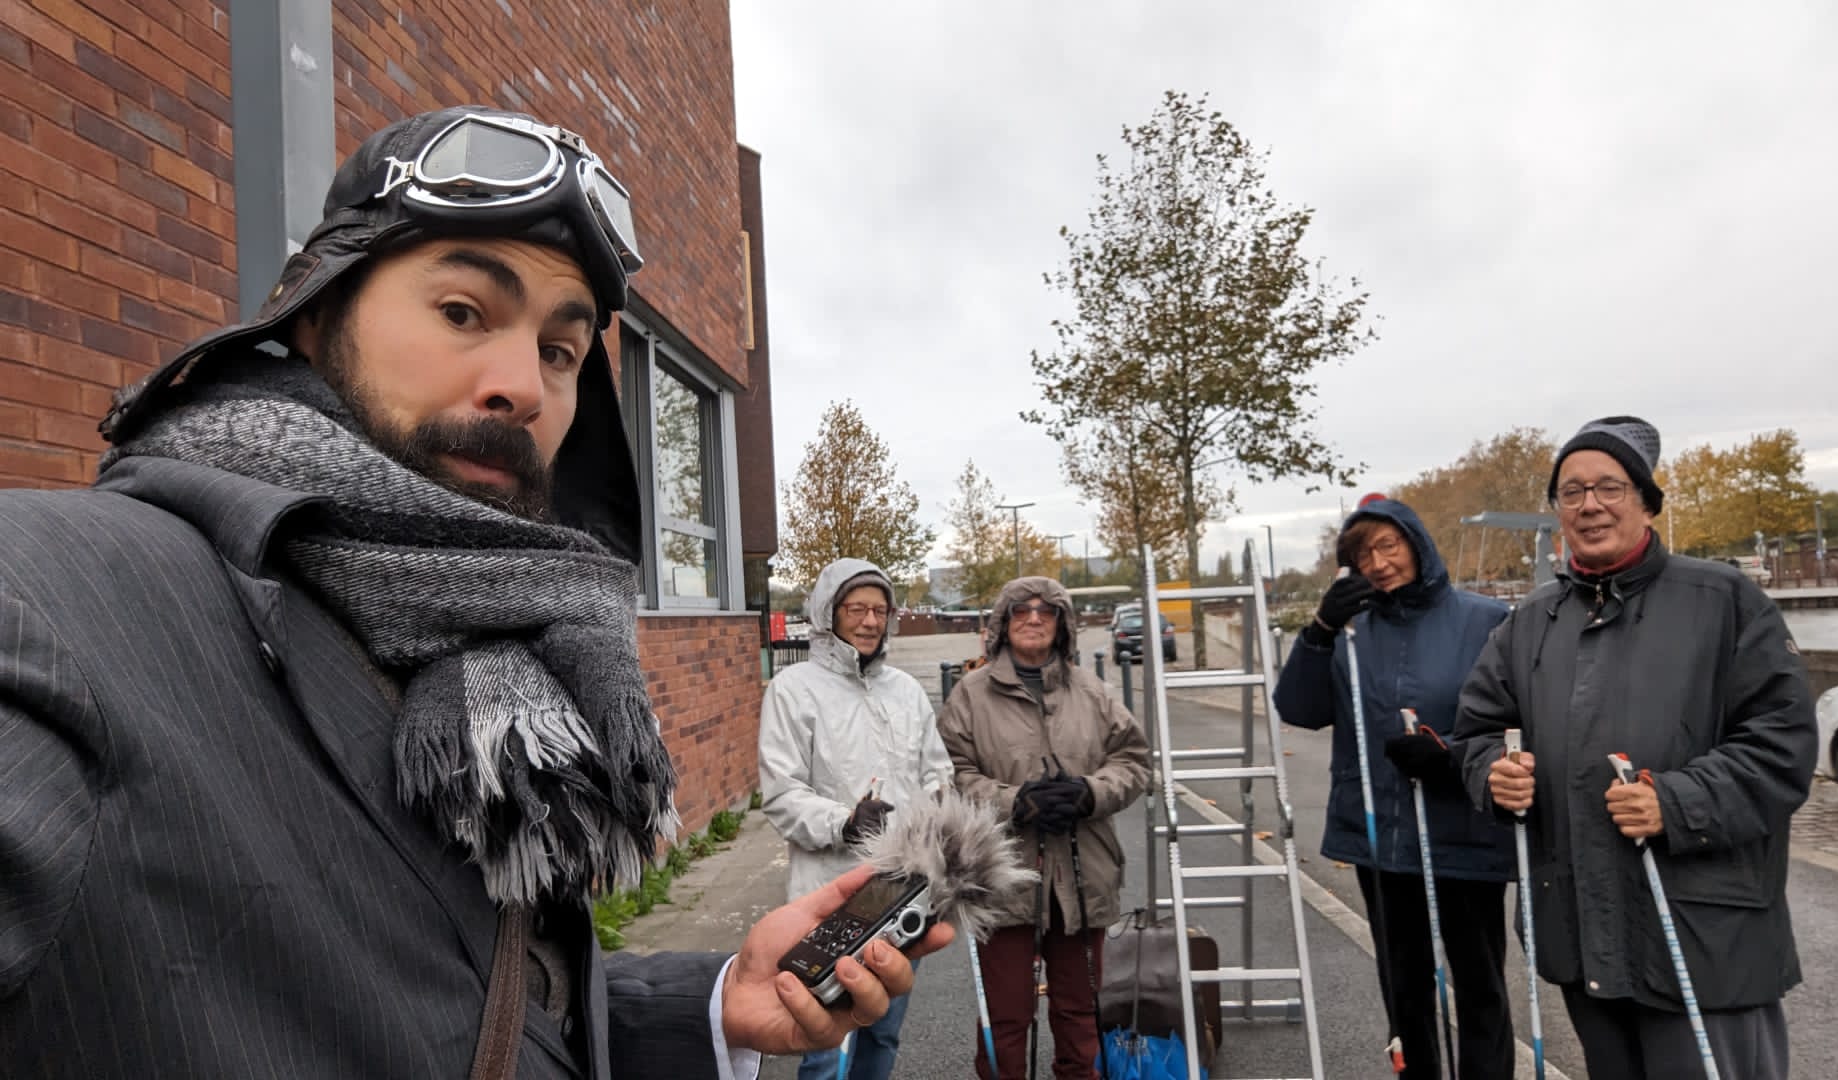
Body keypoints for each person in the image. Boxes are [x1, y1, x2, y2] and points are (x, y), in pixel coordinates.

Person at [0, 105, 947, 1078]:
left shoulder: (506, 652)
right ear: (317, 316)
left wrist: (712, 1006)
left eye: (559, 350)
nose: (524, 387)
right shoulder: (43, 604)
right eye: (463, 312)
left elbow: (455, 998)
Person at [1454, 416, 1816, 1080]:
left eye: (1610, 487)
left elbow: (1782, 742)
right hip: (1582, 937)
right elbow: (1477, 731)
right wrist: (1491, 775)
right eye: (1572, 491)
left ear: (1647, 501)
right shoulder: (1529, 623)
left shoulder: (1725, 601)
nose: (1590, 504)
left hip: (1705, 937)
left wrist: (1676, 803)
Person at [1272, 494, 1516, 1079]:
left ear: (1417, 544)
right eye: (1363, 553)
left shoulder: (1486, 620)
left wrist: (1452, 755)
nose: (1379, 563)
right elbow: (1299, 709)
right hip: (1380, 835)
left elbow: (1523, 722)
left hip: (1464, 826)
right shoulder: (1351, 632)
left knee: (1479, 982)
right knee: (1404, 989)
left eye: (1389, 545)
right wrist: (1321, 628)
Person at [938, 577, 1150, 1080]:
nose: (1033, 618)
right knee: (1006, 1015)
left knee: (1081, 1011)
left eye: (1046, 611)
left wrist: (1088, 793)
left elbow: (1134, 761)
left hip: (1083, 875)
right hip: (1002, 875)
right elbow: (950, 773)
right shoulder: (970, 695)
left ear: (1062, 624)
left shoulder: (1094, 692)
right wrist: (1015, 802)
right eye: (1020, 610)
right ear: (1001, 624)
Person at [759, 558, 955, 1080]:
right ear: (830, 613)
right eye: (857, 609)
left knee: (884, 1030)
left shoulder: (906, 691)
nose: (870, 621)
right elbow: (781, 794)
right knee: (827, 1044)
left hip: (902, 890)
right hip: (832, 894)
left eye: (879, 610)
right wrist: (843, 821)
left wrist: (944, 829)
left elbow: (938, 774)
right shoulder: (793, 690)